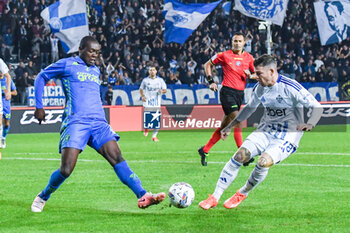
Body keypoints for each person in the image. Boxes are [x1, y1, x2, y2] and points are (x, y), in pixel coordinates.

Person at [31, 36, 165, 213]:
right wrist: (39, 106)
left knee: (116, 156)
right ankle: (43, 195)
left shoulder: (95, 70)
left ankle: (143, 194)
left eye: (97, 52)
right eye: (91, 51)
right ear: (80, 49)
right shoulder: (67, 64)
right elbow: (41, 77)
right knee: (66, 169)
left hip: (99, 123)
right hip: (76, 121)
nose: (95, 55)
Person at [199, 54, 322, 210]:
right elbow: (249, 108)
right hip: (265, 130)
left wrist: (310, 123)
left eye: (259, 73)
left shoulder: (291, 87)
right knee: (240, 155)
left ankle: (242, 192)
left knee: (263, 162)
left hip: (287, 137)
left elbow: (317, 106)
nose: (255, 76)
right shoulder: (259, 88)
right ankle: (215, 197)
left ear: (271, 71)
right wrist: (230, 126)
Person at [198, 33, 255, 166]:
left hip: (239, 94)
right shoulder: (224, 55)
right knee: (239, 121)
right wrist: (211, 81)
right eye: (235, 41)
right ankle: (243, 155)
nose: (237, 43)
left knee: (224, 127)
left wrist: (251, 76)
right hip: (227, 92)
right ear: (232, 42)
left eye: (240, 41)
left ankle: (204, 150)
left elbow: (256, 74)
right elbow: (207, 64)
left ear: (244, 42)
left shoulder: (249, 58)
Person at [139, 65, 167, 142]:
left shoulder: (160, 80)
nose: (152, 71)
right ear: (149, 72)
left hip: (157, 102)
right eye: (150, 70)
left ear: (156, 71)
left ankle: (154, 136)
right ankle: (146, 128)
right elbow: (141, 89)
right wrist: (142, 96)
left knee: (157, 120)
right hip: (148, 102)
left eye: (153, 70)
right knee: (148, 118)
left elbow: (165, 90)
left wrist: (162, 91)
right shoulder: (145, 80)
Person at [0, 78, 17, 148]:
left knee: (7, 123)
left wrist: (8, 92)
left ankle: (3, 138)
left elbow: (15, 92)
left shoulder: (8, 80)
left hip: (6, 105)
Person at [0, 58, 12, 148]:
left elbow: (8, 76)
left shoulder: (0, 61)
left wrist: (8, 91)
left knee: (3, 122)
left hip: (4, 102)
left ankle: (2, 139)